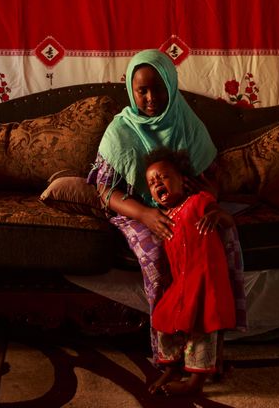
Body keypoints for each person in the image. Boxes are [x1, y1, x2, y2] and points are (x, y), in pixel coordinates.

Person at [87, 49, 246, 357]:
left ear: (171, 86)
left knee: (220, 238)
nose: (150, 97)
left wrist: (206, 200)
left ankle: (209, 345)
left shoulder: (187, 123)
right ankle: (168, 352)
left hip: (187, 207)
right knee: (160, 250)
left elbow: (212, 179)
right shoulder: (121, 130)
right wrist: (146, 214)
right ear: (131, 92)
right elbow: (105, 191)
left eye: (158, 88)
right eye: (141, 90)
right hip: (136, 211)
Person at [143, 147, 237, 396]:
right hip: (182, 282)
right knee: (164, 319)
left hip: (207, 280)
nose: (157, 184)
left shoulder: (198, 201)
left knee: (202, 329)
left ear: (182, 181)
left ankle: (195, 383)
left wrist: (216, 215)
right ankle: (172, 367)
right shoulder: (163, 217)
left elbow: (229, 221)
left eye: (163, 177)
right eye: (152, 183)